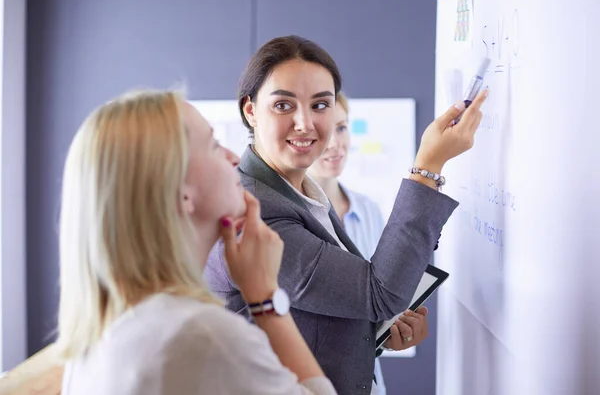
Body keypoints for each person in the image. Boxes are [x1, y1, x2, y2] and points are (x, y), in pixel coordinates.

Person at [205, 35, 487, 394]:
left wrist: (376, 335)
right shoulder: (254, 213)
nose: (305, 123)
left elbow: (311, 320)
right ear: (250, 110)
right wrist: (428, 166)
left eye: (321, 105)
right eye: (283, 106)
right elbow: (378, 293)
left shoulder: (299, 193)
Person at [56, 89, 337, 394]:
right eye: (214, 145)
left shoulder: (101, 335)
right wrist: (266, 298)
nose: (233, 157)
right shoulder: (202, 336)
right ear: (180, 192)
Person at [307, 91, 431, 395]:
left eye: (342, 128)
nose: (335, 143)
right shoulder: (290, 224)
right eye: (324, 131)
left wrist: (395, 329)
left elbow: (381, 306)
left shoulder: (370, 211)